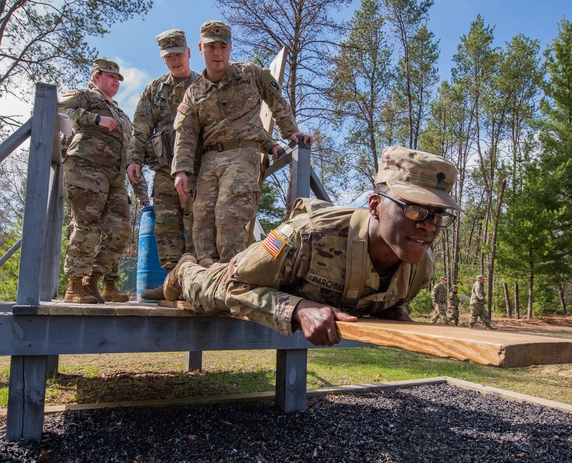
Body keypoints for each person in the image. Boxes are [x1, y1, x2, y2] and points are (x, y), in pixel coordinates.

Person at [161, 147, 460, 346]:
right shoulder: (306, 236)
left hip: (287, 285)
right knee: (204, 286)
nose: (428, 225)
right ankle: (184, 268)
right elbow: (234, 287)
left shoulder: (420, 267)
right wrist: (297, 309)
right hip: (233, 279)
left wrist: (391, 307)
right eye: (413, 210)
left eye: (439, 215)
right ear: (375, 205)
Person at [171, 20, 311, 267]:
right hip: (210, 160)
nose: (217, 53)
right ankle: (207, 283)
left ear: (230, 48)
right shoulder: (194, 92)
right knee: (201, 222)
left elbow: (276, 100)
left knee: (229, 217)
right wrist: (181, 170)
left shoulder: (250, 73)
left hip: (242, 153)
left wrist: (291, 132)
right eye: (211, 46)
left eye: (223, 46)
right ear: (200, 48)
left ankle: (230, 282)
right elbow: (186, 133)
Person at [126, 29, 200, 300]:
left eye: (178, 54)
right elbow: (141, 128)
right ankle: (171, 282)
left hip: (195, 170)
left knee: (195, 226)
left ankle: (193, 283)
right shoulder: (154, 90)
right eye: (169, 56)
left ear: (189, 53)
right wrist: (134, 159)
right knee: (166, 227)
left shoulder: (203, 85)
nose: (175, 60)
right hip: (163, 170)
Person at [58, 58, 135, 304]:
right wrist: (94, 119)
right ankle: (74, 286)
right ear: (96, 76)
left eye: (117, 79)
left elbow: (130, 148)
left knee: (121, 230)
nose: (115, 81)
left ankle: (93, 281)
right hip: (86, 167)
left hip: (115, 177)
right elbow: (56, 107)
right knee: (87, 225)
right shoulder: (86, 97)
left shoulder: (122, 114)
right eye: (110, 76)